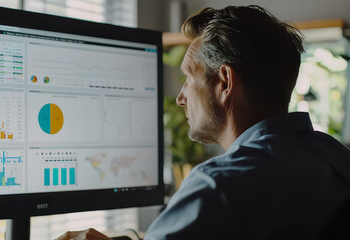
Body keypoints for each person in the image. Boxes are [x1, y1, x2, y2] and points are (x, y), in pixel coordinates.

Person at [56, 5, 350, 240]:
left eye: (188, 78)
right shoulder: (334, 156)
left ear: (225, 82)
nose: (181, 98)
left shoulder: (217, 186)